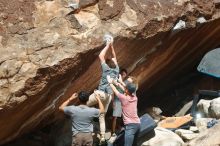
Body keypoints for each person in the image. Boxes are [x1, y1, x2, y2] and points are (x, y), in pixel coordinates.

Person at [86, 34, 119, 142]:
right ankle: (103, 137)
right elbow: (114, 57)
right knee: (102, 117)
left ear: (108, 64)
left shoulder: (106, 69)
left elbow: (101, 56)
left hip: (100, 93)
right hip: (109, 97)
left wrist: (107, 45)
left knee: (83, 105)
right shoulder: (116, 69)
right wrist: (112, 46)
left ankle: (84, 126)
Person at [107, 76, 140, 146]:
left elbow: (115, 91)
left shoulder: (124, 98)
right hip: (138, 124)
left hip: (130, 126)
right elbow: (126, 89)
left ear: (127, 90)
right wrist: (119, 82)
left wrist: (110, 83)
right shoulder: (135, 98)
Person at [111, 69, 128, 138]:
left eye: (125, 75)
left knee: (120, 116)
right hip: (117, 100)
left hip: (122, 101)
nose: (124, 76)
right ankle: (113, 132)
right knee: (115, 117)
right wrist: (113, 102)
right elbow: (112, 92)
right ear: (120, 74)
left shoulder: (123, 82)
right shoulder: (116, 81)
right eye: (123, 74)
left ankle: (119, 127)